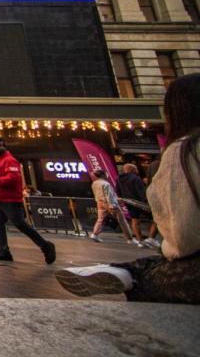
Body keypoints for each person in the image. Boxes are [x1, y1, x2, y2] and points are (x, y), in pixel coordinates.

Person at [56, 73, 200, 304]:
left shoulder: (184, 150)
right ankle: (122, 270)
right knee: (150, 263)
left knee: (150, 280)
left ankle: (123, 272)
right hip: (114, 205)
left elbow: (184, 233)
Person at [0, 138, 56, 264]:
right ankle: (3, 250)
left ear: (5, 147)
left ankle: (45, 246)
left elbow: (12, 179)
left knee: (20, 224)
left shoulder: (10, 160)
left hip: (10, 199)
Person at [87, 168, 139, 246]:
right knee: (122, 221)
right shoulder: (106, 184)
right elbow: (109, 195)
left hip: (100, 202)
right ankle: (130, 239)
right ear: (103, 175)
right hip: (109, 204)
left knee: (100, 219)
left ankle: (95, 234)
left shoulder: (94, 183)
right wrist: (112, 205)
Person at [117, 163, 151, 246]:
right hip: (139, 202)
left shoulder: (119, 179)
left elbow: (118, 191)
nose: (137, 171)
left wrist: (123, 199)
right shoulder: (135, 178)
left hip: (128, 202)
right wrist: (146, 201)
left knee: (134, 220)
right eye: (136, 169)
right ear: (132, 170)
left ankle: (140, 240)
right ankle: (150, 238)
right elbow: (141, 191)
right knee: (154, 219)